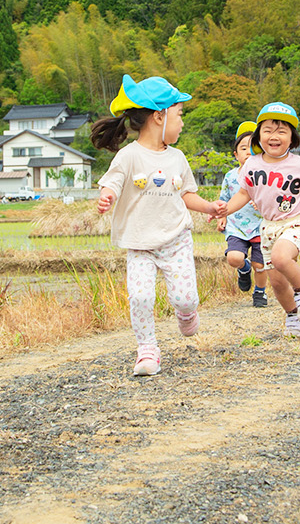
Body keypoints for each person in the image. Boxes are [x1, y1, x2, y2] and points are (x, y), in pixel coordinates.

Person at [94, 75, 223, 377]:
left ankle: (187, 312)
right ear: (159, 116)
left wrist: (209, 207)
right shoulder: (128, 156)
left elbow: (186, 193)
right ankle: (147, 350)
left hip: (176, 239)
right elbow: (111, 183)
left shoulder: (177, 158)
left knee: (185, 297)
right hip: (140, 244)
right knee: (140, 297)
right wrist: (107, 197)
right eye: (180, 115)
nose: (181, 123)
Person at [217, 102, 300, 337]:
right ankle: (292, 315)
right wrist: (224, 210)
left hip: (295, 221)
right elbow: (243, 193)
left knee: (281, 257)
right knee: (277, 282)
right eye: (267, 130)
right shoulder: (251, 165)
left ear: (292, 138)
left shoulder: (299, 165)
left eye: (281, 131)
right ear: (259, 136)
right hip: (268, 226)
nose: (274, 136)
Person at [217, 121, 270, 307]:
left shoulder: (265, 175)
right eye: (243, 148)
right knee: (234, 258)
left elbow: (274, 198)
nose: (248, 152)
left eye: (253, 148)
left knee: (261, 266)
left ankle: (260, 292)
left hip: (260, 227)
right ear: (235, 154)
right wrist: (222, 216)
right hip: (236, 225)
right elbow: (224, 199)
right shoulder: (231, 176)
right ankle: (243, 270)